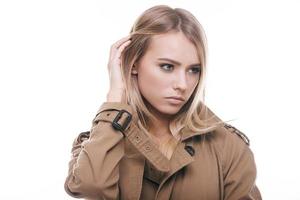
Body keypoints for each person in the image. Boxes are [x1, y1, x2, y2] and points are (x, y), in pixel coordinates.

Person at [64, 5, 262, 200]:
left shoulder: (229, 147)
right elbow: (91, 188)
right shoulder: (100, 142)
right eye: (167, 66)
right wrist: (115, 96)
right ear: (133, 64)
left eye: (194, 70)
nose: (183, 84)